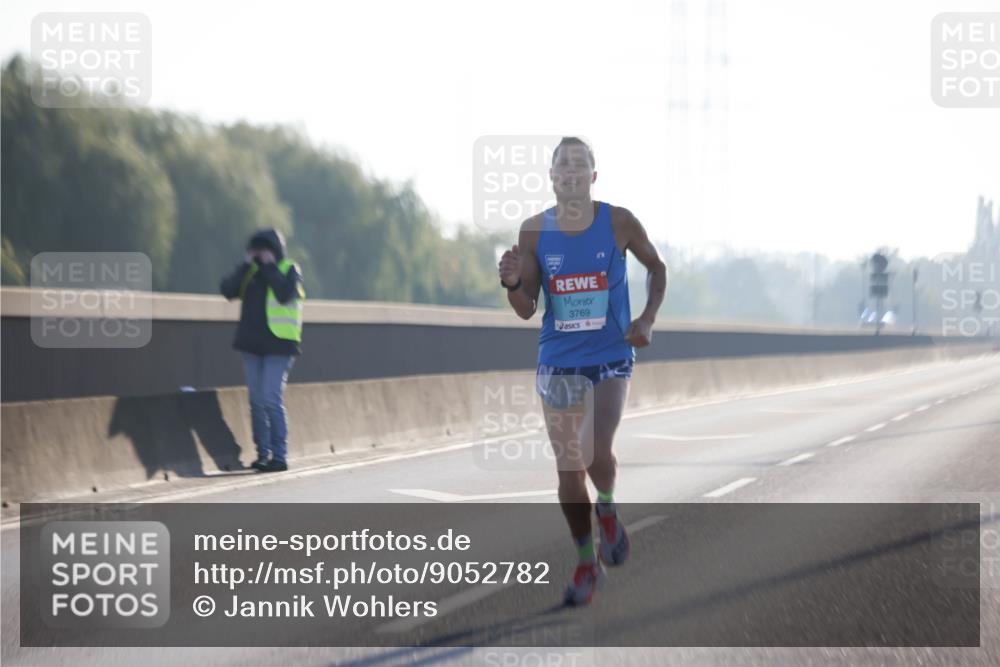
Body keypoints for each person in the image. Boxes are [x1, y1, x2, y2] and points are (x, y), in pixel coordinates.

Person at [497, 137, 667, 606]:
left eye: (579, 164)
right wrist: (512, 282)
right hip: (558, 361)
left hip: (610, 356)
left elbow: (657, 267)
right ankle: (587, 562)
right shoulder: (534, 231)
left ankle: (606, 508)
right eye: (563, 165)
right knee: (570, 472)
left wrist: (647, 319)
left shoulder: (619, 221)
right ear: (552, 176)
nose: (571, 171)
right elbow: (526, 307)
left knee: (594, 449)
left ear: (593, 176)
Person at [220, 229, 305, 473]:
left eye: (265, 248)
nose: (261, 253)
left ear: (276, 249)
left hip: (279, 345)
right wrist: (246, 265)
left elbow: (284, 295)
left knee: (270, 398)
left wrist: (269, 267)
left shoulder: (290, 269)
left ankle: (279, 455)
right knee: (256, 401)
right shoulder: (250, 272)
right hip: (252, 346)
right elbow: (228, 290)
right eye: (257, 249)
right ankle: (262, 454)